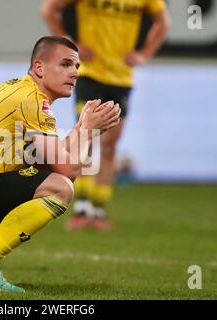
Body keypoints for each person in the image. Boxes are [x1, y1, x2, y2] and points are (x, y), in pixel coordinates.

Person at [0, 36, 121, 292]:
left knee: (38, 177)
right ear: (39, 67)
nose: (74, 73)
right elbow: (68, 173)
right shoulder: (32, 101)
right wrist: (90, 131)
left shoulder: (20, 92)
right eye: (66, 64)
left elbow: (54, 163)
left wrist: (82, 126)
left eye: (77, 67)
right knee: (60, 189)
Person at [41, 0, 170, 231]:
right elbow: (48, 9)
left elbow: (163, 21)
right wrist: (70, 45)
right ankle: (80, 208)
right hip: (90, 73)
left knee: (110, 144)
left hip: (121, 77)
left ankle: (98, 210)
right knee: (87, 138)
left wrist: (144, 54)